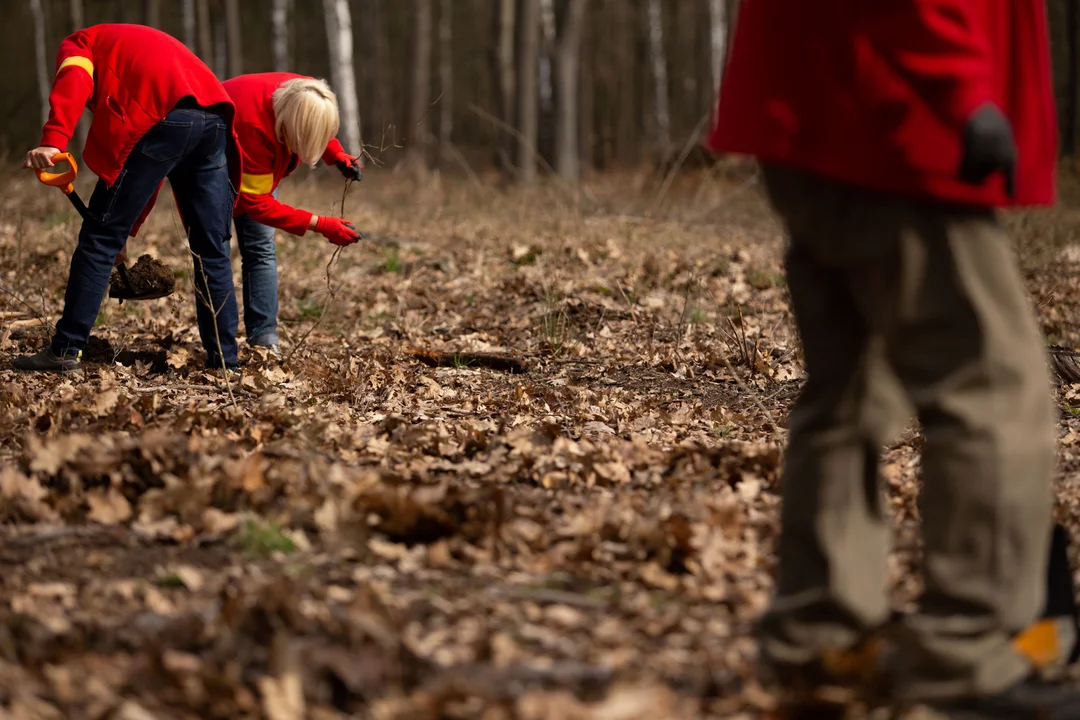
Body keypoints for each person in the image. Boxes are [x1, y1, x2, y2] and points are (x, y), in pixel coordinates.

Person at [706, 1, 1080, 717]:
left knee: (848, 392)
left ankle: (819, 632)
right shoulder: (928, 94)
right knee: (998, 391)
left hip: (822, 105)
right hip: (896, 113)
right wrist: (959, 90)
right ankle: (969, 654)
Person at [16, 23, 242, 373]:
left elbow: (75, 80)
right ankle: (226, 364)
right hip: (214, 118)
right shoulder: (136, 43)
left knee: (98, 239)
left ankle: (65, 350)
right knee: (211, 248)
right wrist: (126, 228)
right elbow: (148, 170)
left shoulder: (80, 42)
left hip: (161, 115)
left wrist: (54, 139)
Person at [222, 72, 363, 355]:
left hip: (257, 168)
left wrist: (335, 154)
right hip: (217, 171)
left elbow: (315, 125)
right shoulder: (253, 127)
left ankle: (264, 341)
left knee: (261, 250)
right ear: (289, 130)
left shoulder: (309, 93)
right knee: (217, 254)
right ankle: (222, 347)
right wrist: (321, 224)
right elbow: (258, 204)